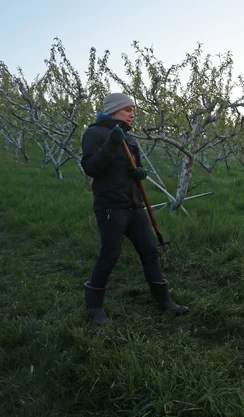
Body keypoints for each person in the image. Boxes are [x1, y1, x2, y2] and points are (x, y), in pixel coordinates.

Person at [80, 92, 188, 326]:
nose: (132, 114)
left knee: (150, 250)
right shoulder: (94, 133)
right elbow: (90, 167)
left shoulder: (129, 138)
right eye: (129, 110)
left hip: (134, 204)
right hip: (111, 205)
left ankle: (163, 300)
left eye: (133, 111)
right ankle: (94, 306)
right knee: (110, 254)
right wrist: (110, 144)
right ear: (115, 109)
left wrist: (140, 173)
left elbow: (134, 166)